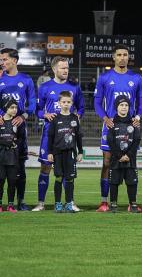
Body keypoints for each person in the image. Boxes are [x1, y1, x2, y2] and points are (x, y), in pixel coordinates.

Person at [93, 44, 142, 212]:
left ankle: (132, 203)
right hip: (111, 126)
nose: (122, 57)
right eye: (119, 55)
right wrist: (105, 118)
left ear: (128, 57)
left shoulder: (136, 78)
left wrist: (137, 117)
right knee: (107, 162)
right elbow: (97, 102)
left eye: (125, 54)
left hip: (130, 127)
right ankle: (104, 202)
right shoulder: (105, 77)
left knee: (131, 163)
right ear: (114, 57)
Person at [35, 56, 85, 211]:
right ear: (54, 69)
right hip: (50, 135)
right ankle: (41, 203)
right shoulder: (44, 87)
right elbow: (37, 110)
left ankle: (70, 202)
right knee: (45, 167)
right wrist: (44, 115)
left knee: (67, 169)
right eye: (63, 68)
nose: (66, 70)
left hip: (68, 135)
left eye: (67, 68)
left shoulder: (75, 87)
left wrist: (78, 116)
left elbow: (81, 107)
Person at [0, 48, 36, 210]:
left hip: (19, 128)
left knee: (20, 166)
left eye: (5, 59)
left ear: (14, 60)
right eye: (1, 60)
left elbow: (33, 103)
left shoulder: (26, 79)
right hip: (1, 126)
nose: (2, 62)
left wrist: (24, 116)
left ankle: (20, 201)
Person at [45, 91, 83, 213]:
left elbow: (78, 136)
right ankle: (57, 204)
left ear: (72, 103)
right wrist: (50, 152)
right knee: (59, 177)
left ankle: (68, 203)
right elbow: (50, 136)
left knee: (70, 179)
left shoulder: (74, 118)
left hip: (70, 152)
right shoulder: (55, 119)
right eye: (64, 102)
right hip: (57, 152)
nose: (66, 104)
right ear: (59, 103)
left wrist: (80, 152)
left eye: (68, 102)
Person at [107, 95, 142, 213]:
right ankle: (113, 204)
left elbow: (137, 140)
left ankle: (133, 205)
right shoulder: (112, 123)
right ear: (116, 107)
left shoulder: (134, 123)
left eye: (126, 105)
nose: (124, 107)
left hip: (130, 159)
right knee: (114, 182)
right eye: (121, 105)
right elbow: (110, 141)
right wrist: (119, 155)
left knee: (132, 182)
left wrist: (129, 155)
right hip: (116, 159)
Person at [0, 97, 23, 212]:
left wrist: (15, 144)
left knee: (12, 181)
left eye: (16, 107)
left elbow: (21, 138)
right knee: (0, 180)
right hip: (1, 156)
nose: (14, 110)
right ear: (5, 108)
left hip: (13, 157)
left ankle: (10, 205)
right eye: (11, 107)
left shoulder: (18, 123)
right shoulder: (0, 121)